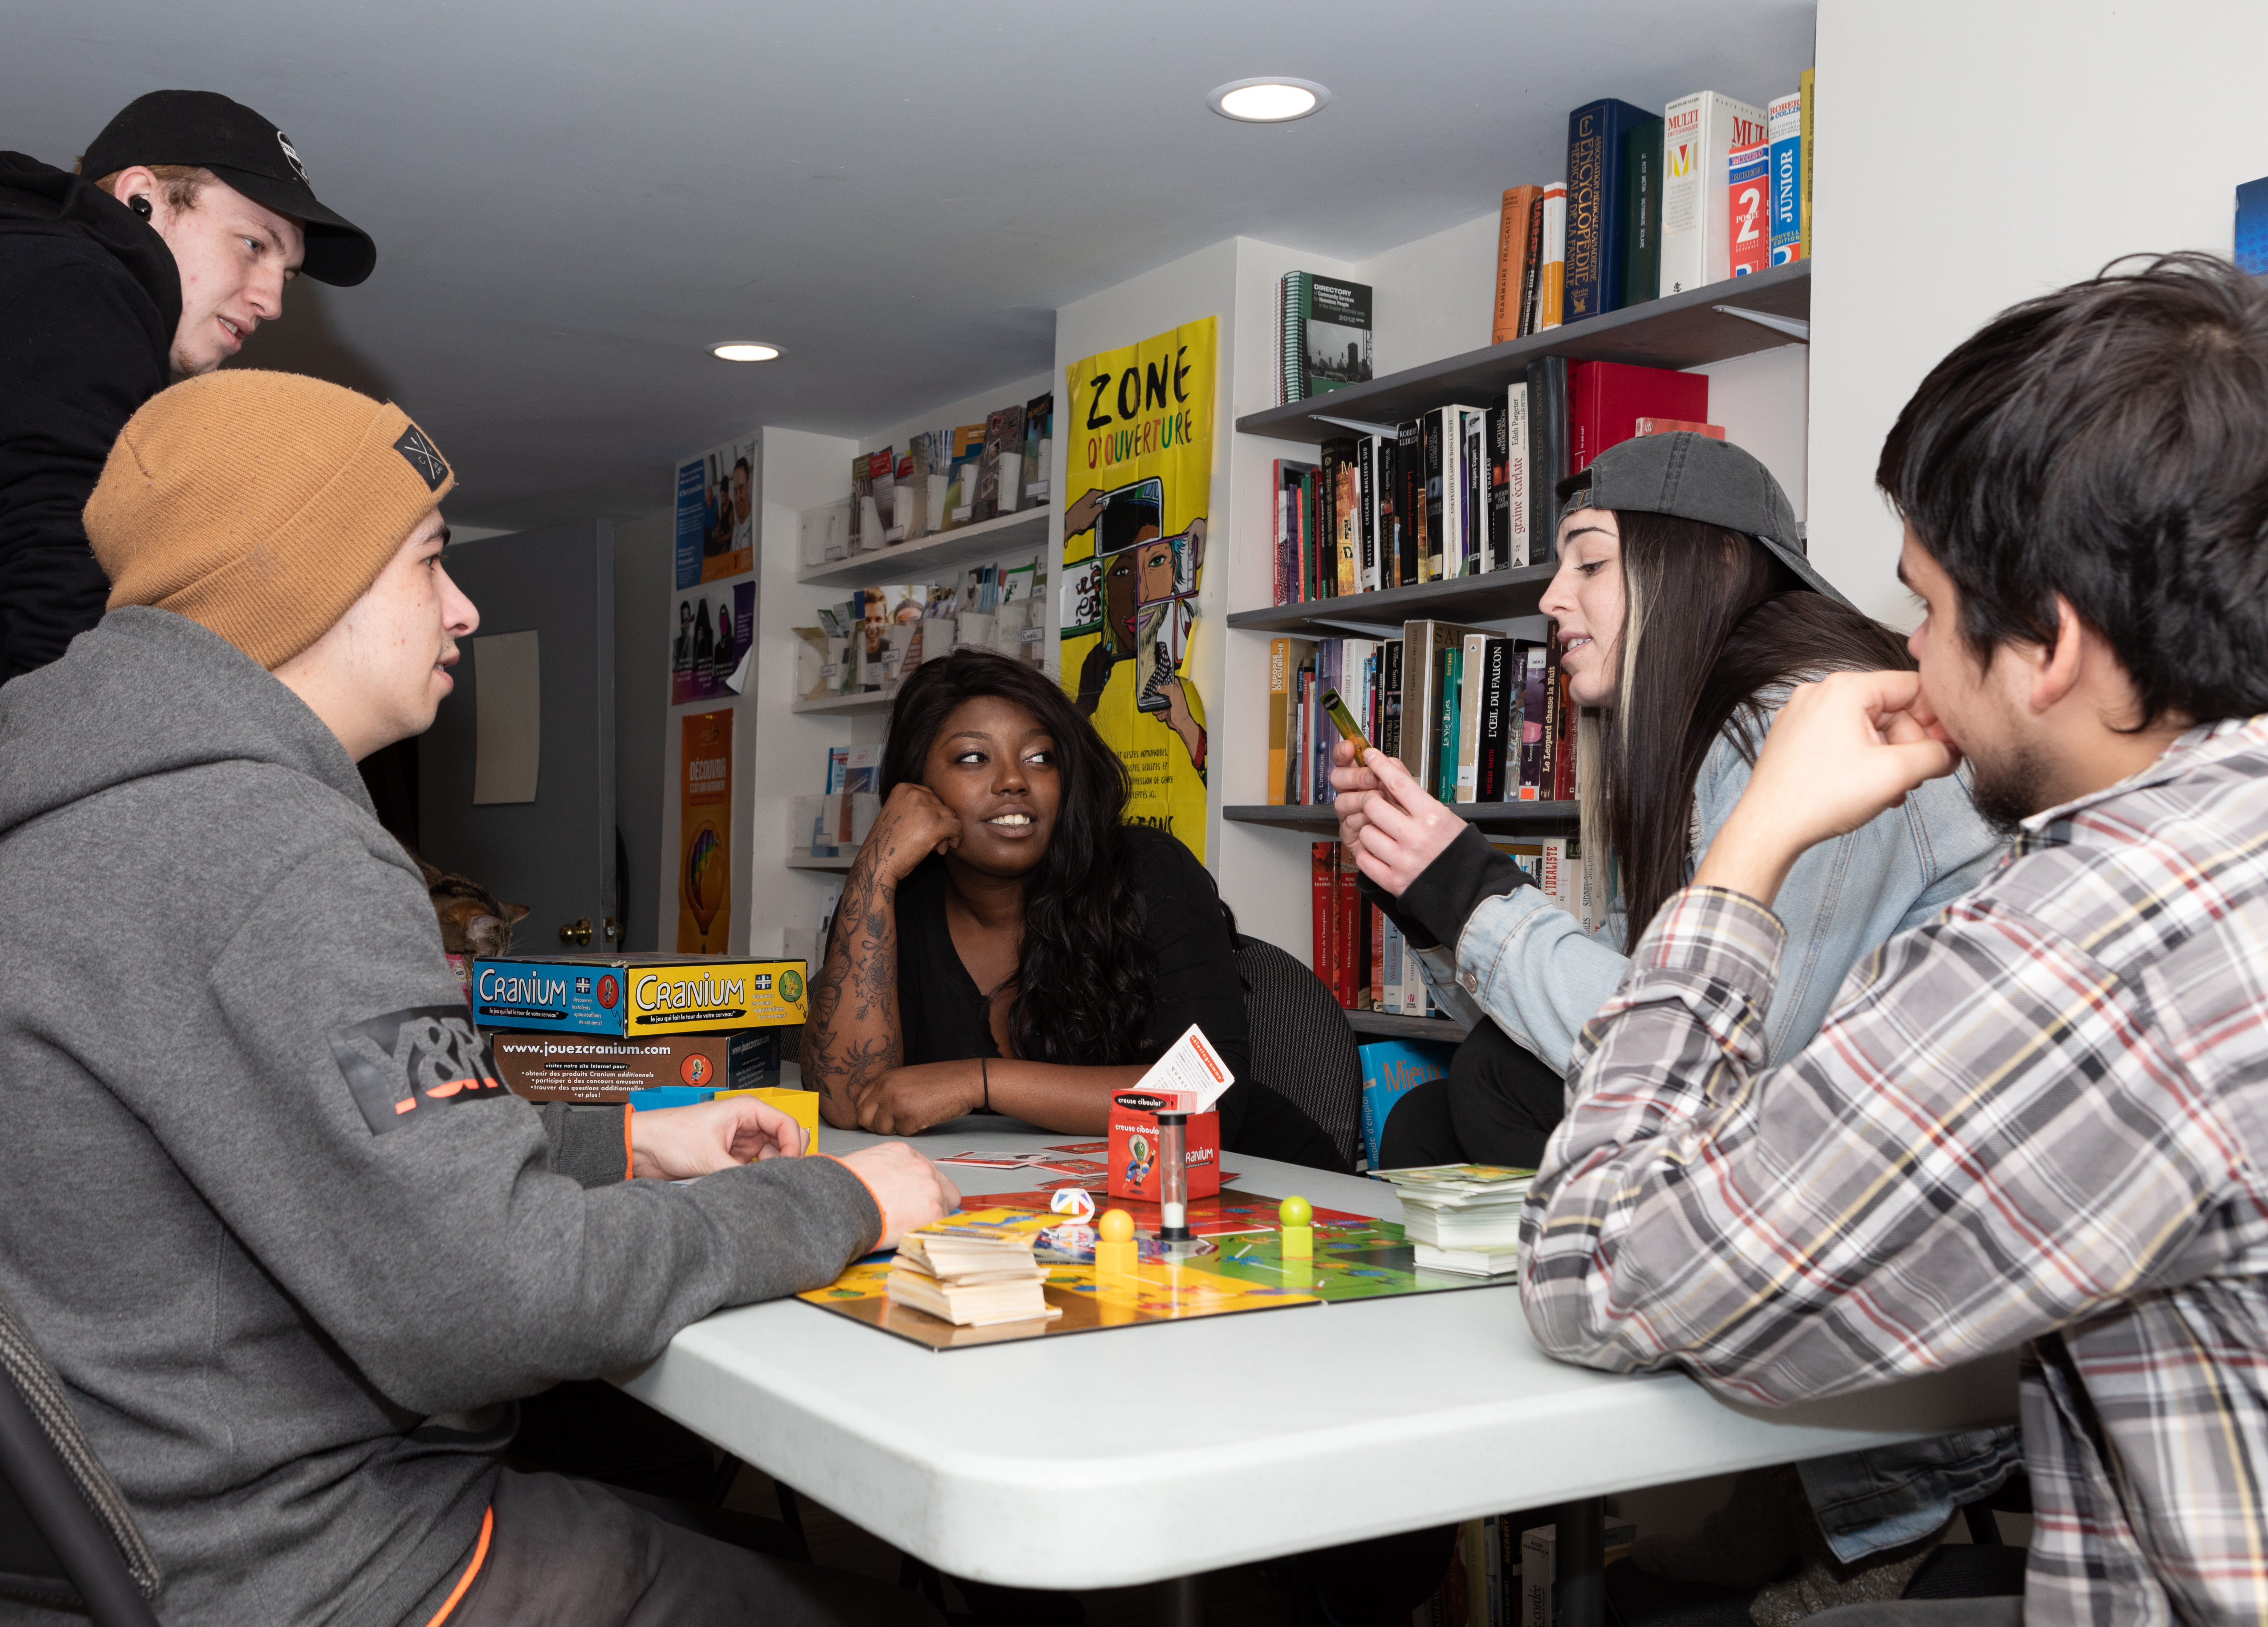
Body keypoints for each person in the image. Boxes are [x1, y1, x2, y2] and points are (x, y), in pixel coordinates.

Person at [0, 368, 957, 1626]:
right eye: (432, 562)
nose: (466, 608)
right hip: (297, 1576)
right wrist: (835, 1197)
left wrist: (625, 1139)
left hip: (52, 1573)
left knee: (671, 1511)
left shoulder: (56, 836)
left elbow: (281, 1135)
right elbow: (499, 1305)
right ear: (304, 577)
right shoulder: (271, 851)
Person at [1516, 252, 2268, 1626]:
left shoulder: (2100, 953)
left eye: (1923, 606)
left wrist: (1748, 856)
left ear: (2049, 645)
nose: (1908, 653)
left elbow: (1597, 1271)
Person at [1332, 434, 2011, 1609]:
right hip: (1850, 1256)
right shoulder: (1726, 731)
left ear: (1691, 566)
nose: (1551, 599)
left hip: (1904, 1321)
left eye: (1587, 564)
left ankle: (1835, 1517)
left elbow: (1717, 1059)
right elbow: (1661, 984)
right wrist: (1448, 894)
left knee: (1476, 1099)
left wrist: (1470, 895)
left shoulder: (1793, 731)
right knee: (1470, 1090)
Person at [0, 89, 374, 1088]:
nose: (273, 298)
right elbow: (74, 632)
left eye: (286, 272)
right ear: (139, 201)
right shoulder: (76, 293)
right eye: (254, 247)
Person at [806, 648, 1341, 1169]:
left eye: (1041, 758)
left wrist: (979, 1081)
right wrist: (873, 870)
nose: (1014, 780)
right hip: (1051, 1208)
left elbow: (1206, 1096)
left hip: (1259, 1191)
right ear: (916, 789)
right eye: (973, 758)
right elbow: (852, 1101)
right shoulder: (901, 900)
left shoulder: (1148, 872)